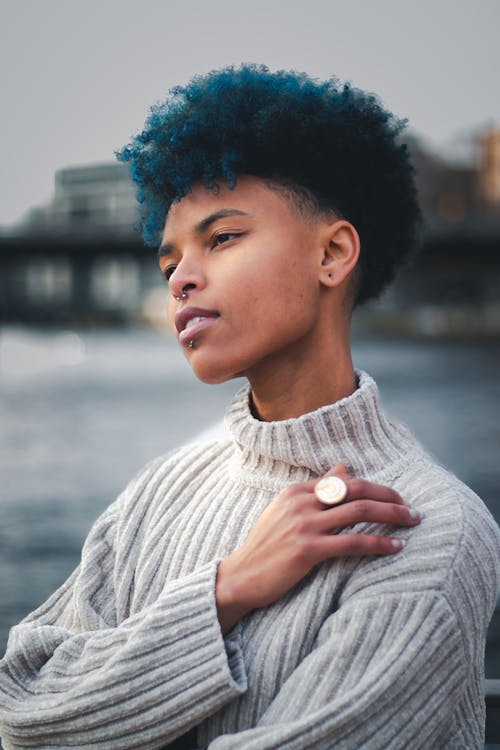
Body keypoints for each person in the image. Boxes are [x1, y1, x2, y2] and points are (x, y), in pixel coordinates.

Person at [0, 64, 498, 750]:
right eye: (168, 259)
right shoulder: (162, 489)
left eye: (222, 237)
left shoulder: (429, 528)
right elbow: (21, 708)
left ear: (333, 253)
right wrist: (222, 593)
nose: (181, 279)